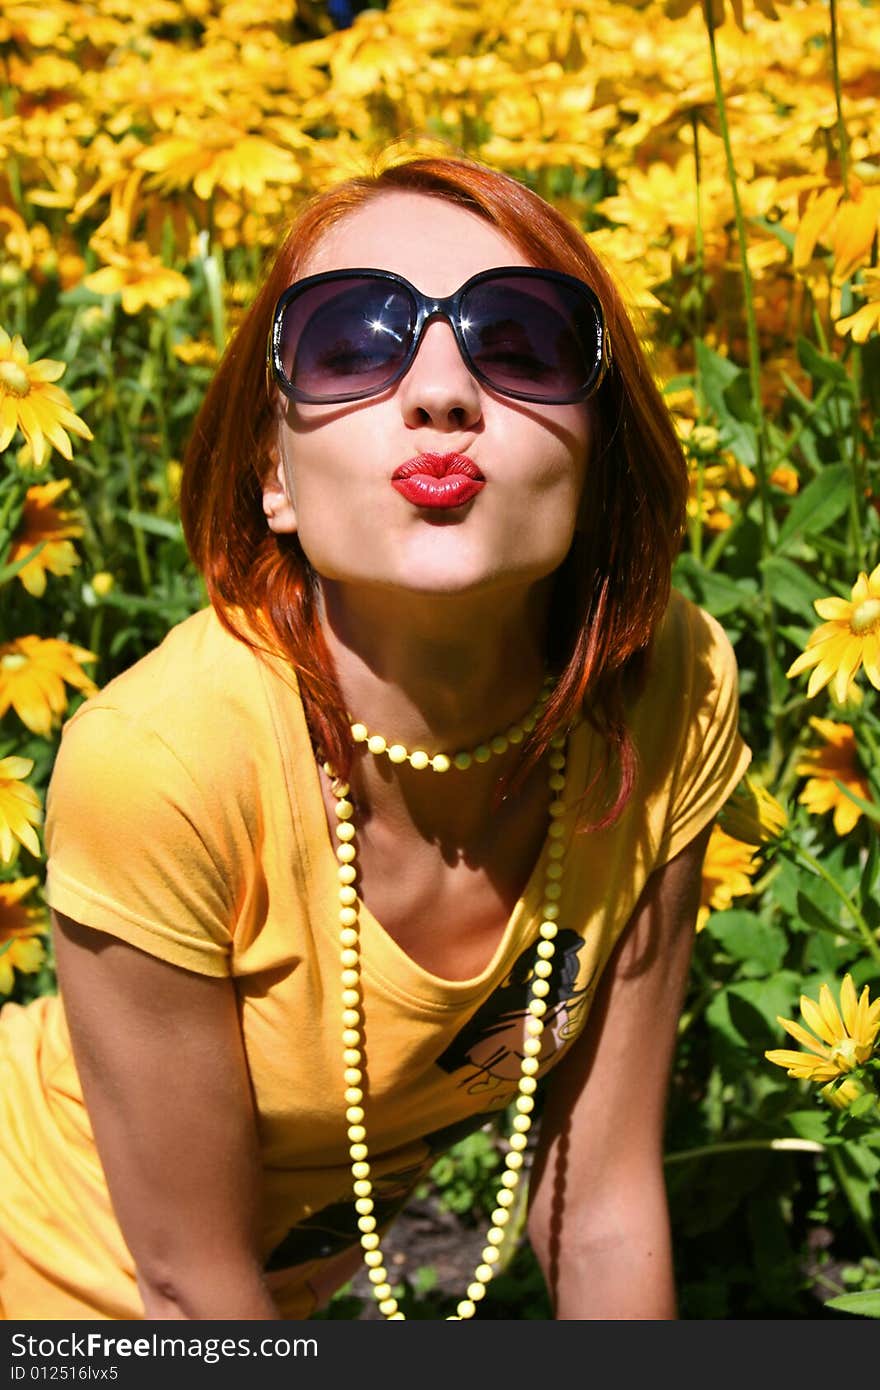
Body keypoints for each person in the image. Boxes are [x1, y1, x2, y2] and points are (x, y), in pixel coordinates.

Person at [0, 153, 750, 1322]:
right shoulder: (158, 762)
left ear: (597, 446)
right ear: (273, 476)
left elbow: (600, 1204)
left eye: (520, 343)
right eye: (353, 343)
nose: (442, 391)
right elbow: (189, 1286)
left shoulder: (671, 690)